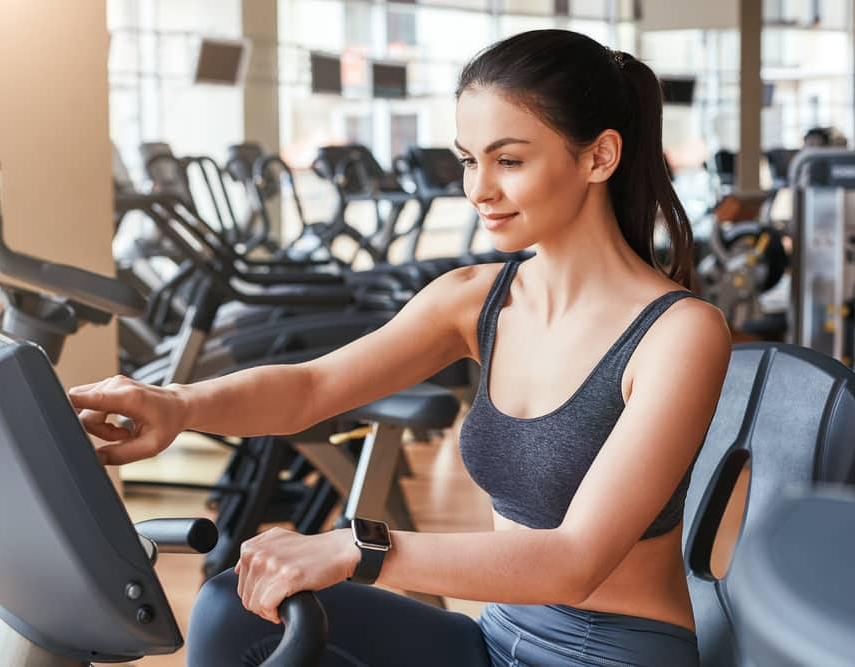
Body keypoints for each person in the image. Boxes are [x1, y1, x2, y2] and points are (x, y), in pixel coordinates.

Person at [69, 29, 731, 667]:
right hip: (493, 638)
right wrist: (176, 404)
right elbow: (311, 390)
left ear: (598, 157)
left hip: (606, 651)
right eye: (470, 160)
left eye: (509, 160)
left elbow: (576, 560)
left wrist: (358, 547)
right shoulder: (476, 298)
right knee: (233, 607)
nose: (479, 189)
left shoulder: (678, 334)